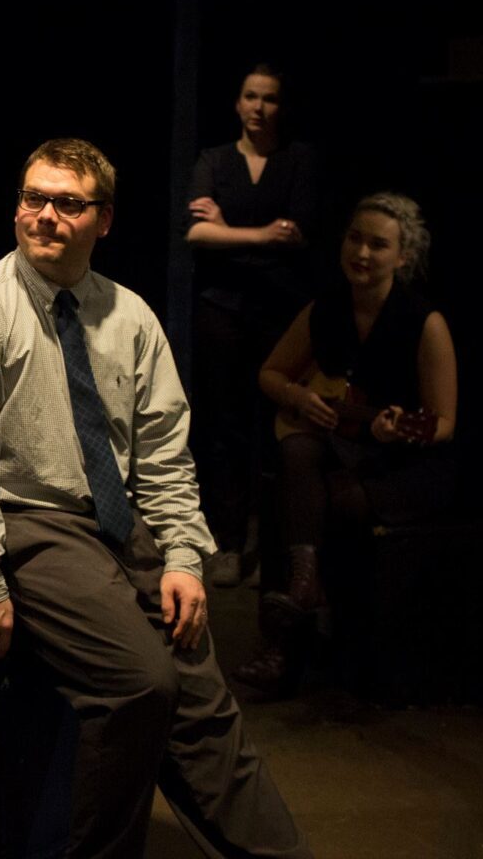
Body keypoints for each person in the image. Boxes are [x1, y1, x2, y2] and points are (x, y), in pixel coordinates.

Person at [0, 138, 308, 858]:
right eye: (34, 198)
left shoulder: (129, 318)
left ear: (105, 219)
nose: (45, 216)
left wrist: (185, 556)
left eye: (68, 203)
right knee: (140, 683)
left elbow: (163, 453)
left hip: (119, 527)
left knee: (202, 698)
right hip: (28, 522)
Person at [235, 192, 457, 694]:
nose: (361, 253)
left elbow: (443, 423)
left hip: (408, 465)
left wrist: (397, 428)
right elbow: (269, 372)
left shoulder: (425, 323)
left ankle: (301, 635)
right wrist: (298, 395)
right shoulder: (326, 309)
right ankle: (306, 587)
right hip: (347, 449)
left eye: (378, 245)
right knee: (297, 450)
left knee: (323, 498)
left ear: (402, 257)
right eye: (355, 239)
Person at [185, 64, 318, 587]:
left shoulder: (299, 159)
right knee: (225, 430)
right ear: (237, 104)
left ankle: (283, 548)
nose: (259, 107)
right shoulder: (213, 160)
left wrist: (231, 230)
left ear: (281, 107)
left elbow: (300, 232)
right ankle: (229, 543)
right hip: (222, 310)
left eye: (269, 98)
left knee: (278, 430)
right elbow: (197, 236)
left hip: (281, 313)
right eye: (250, 96)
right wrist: (264, 234)